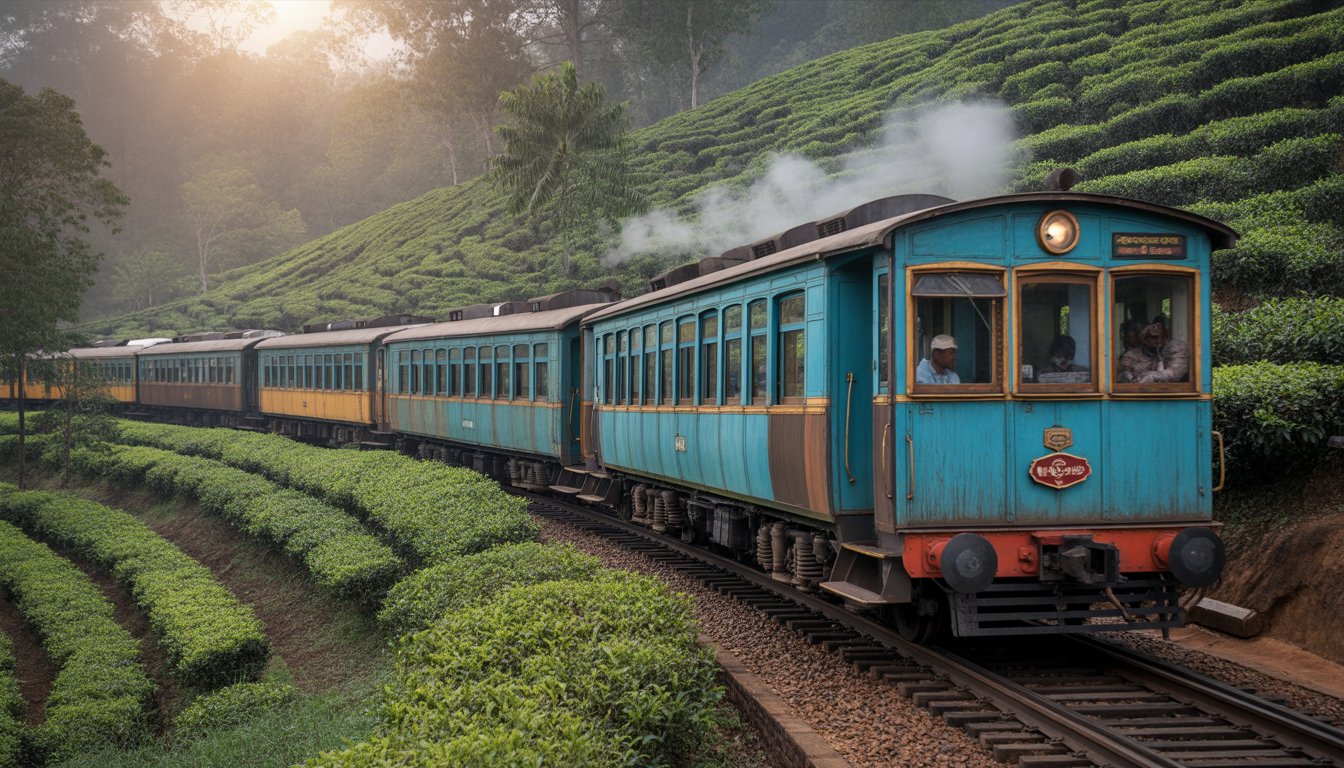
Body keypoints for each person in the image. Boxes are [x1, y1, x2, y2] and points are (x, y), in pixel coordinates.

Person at [1117, 315, 1188, 383]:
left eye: (1160, 335)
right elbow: (1122, 373)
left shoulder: (1176, 347)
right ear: (1143, 338)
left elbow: (1175, 372)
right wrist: (1128, 377)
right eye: (1152, 337)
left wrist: (1153, 376)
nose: (1157, 341)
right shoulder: (1131, 355)